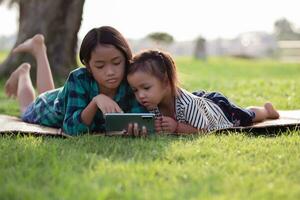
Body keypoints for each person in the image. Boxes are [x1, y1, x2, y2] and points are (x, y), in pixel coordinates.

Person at [4, 26, 147, 136]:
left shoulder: (130, 79)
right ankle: (23, 73)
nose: (110, 72)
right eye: (100, 66)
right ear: (88, 66)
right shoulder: (78, 78)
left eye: (116, 63)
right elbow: (71, 128)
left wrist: (134, 126)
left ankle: (38, 49)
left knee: (48, 92)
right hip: (48, 107)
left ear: (126, 59)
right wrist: (96, 101)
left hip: (61, 96)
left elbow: (140, 116)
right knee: (26, 109)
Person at [127, 49, 280, 134]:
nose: (140, 95)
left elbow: (203, 130)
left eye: (146, 88)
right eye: (135, 90)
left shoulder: (188, 105)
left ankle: (266, 111)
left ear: (166, 82)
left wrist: (176, 127)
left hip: (218, 108)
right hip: (201, 102)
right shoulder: (152, 104)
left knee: (246, 116)